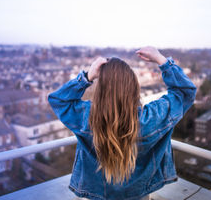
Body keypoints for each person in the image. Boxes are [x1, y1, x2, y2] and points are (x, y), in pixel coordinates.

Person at [48, 46, 197, 200]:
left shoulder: (88, 117)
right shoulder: (152, 117)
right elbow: (185, 93)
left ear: (101, 90)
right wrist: (161, 60)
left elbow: (58, 100)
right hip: (140, 194)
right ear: (133, 86)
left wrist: (88, 76)